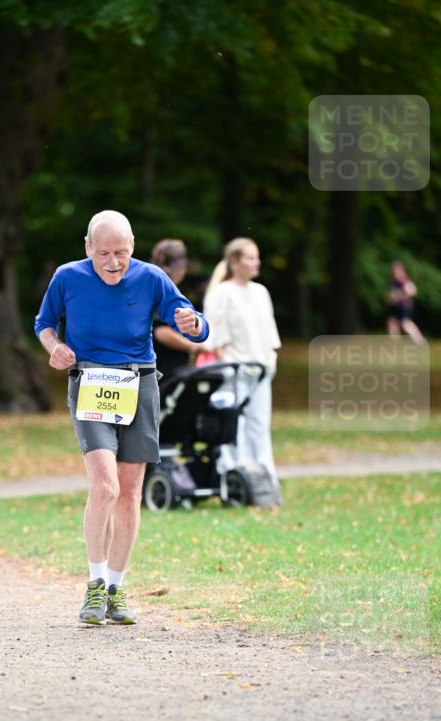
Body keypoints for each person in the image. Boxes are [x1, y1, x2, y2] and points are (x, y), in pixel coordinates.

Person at [34, 210, 209, 626]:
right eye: (105, 253)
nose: (114, 262)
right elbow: (43, 324)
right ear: (88, 248)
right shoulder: (67, 277)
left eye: (123, 253)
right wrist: (54, 347)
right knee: (105, 486)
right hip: (90, 382)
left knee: (130, 493)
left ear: (133, 248)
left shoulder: (151, 277)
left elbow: (195, 327)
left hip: (140, 384)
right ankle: (94, 585)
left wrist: (195, 323)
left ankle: (116, 588)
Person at [202, 237, 281, 500]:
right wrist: (227, 362)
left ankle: (266, 483)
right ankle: (238, 481)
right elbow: (214, 336)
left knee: (259, 426)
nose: (255, 262)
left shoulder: (261, 292)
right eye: (249, 257)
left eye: (257, 257)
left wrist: (269, 361)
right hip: (234, 372)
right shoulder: (222, 293)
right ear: (234, 262)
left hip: (261, 370)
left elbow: (269, 333)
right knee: (234, 427)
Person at [150, 239, 197, 379]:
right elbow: (161, 332)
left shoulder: (150, 284)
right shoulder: (164, 289)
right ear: (181, 267)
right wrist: (194, 346)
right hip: (164, 367)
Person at [385, 260, 426, 344]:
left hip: (403, 306)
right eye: (394, 271)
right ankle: (395, 344)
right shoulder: (393, 282)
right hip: (394, 306)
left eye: (397, 270)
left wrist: (401, 294)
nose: (395, 272)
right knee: (392, 323)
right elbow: (390, 295)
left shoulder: (404, 281)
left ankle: (420, 340)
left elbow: (413, 290)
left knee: (405, 324)